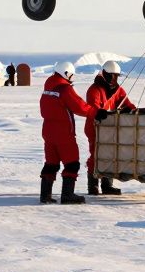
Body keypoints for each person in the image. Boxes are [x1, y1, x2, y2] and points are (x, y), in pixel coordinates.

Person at [39, 61, 107, 204]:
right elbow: (79, 106)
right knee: (72, 163)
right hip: (63, 132)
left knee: (51, 163)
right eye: (71, 75)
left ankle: (45, 195)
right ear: (66, 73)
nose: (72, 78)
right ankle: (67, 195)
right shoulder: (65, 89)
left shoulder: (48, 87)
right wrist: (96, 113)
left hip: (48, 131)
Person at [85, 60, 136, 195]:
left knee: (111, 154)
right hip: (94, 127)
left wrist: (132, 111)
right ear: (105, 74)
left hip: (110, 128)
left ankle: (107, 185)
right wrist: (100, 113)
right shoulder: (94, 90)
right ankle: (93, 185)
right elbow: (94, 108)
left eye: (116, 76)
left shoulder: (117, 90)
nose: (114, 79)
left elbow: (126, 103)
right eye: (112, 75)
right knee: (96, 155)